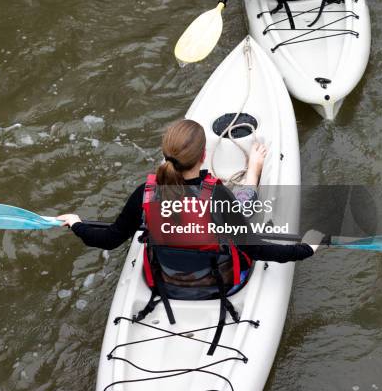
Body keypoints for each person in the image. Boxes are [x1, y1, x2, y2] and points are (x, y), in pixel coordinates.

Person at [58, 119, 322, 309]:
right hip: (221, 282)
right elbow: (256, 250)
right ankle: (252, 171)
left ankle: (252, 172)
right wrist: (305, 250)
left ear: (165, 156)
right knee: (245, 204)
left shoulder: (145, 193)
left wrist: (77, 224)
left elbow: (110, 239)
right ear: (204, 156)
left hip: (164, 281)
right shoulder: (217, 195)